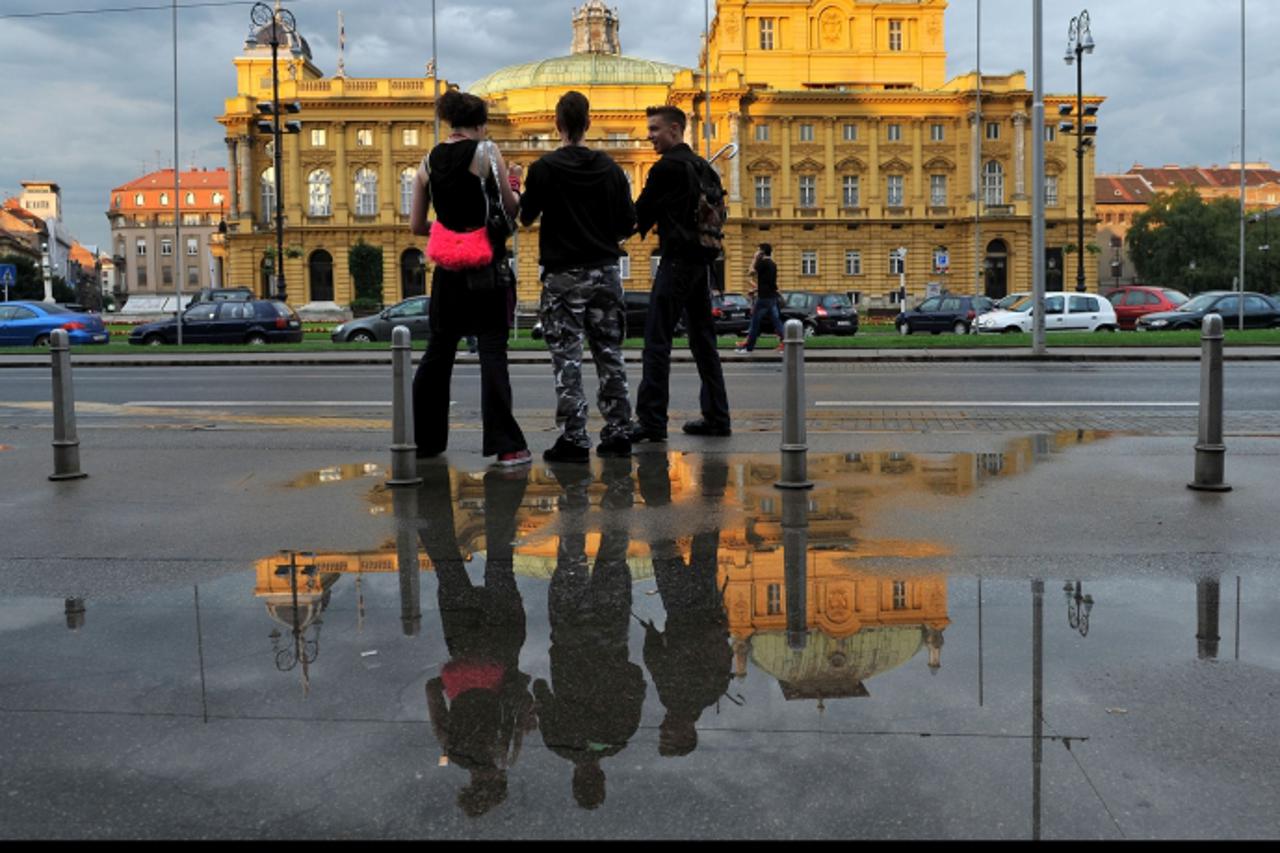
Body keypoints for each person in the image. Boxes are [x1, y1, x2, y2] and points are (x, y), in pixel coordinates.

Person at [410, 89, 530, 466]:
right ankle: (506, 446)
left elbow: (416, 225)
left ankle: (426, 441)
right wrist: (514, 182)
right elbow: (513, 214)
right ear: (480, 124)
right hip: (485, 267)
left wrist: (451, 231)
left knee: (438, 353)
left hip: (447, 270)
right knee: (492, 352)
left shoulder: (427, 161)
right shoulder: (486, 151)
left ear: (451, 122)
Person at [519, 90, 637, 463]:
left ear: (558, 124)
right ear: (588, 123)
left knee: (567, 358)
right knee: (609, 353)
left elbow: (524, 217)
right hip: (605, 272)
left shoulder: (543, 169)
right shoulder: (611, 170)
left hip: (563, 276)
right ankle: (619, 431)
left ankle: (574, 438)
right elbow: (626, 224)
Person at [419, 462, 536, 818]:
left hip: (502, 645)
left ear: (498, 781)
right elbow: (430, 690)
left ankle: (504, 484)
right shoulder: (452, 749)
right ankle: (428, 490)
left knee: (500, 562)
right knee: (447, 565)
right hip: (462, 644)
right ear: (469, 783)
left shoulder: (506, 754)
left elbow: (518, 699)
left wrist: (523, 701)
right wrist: (455, 677)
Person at [533, 459, 645, 809]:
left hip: (610, 634)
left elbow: (636, 682)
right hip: (567, 632)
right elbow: (540, 692)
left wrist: (614, 665)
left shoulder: (619, 737)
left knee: (613, 554)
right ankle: (575, 487)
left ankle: (620, 484)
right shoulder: (559, 743)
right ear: (575, 779)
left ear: (602, 777)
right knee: (571, 556)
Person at [630, 105, 732, 442]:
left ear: (675, 129)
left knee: (656, 341)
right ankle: (717, 416)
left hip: (675, 261)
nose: (650, 135)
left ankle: (652, 421)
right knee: (704, 343)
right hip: (701, 264)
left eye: (655, 129)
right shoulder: (705, 167)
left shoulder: (667, 168)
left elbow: (639, 216)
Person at [636, 454, 733, 758]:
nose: (663, 729)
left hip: (699, 609)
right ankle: (655, 475)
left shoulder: (693, 697)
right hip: (685, 608)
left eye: (662, 735)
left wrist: (654, 640)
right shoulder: (691, 696)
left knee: (704, 541)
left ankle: (712, 478)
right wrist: (652, 638)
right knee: (664, 540)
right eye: (669, 736)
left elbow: (658, 661)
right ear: (688, 732)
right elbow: (656, 661)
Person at [736, 243, 785, 353]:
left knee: (754, 323)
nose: (756, 252)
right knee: (776, 322)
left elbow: (750, 272)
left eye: (758, 250)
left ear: (762, 252)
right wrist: (755, 290)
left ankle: (748, 348)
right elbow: (769, 283)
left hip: (763, 299)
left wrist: (754, 258)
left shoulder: (763, 263)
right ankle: (786, 343)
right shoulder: (773, 264)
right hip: (771, 297)